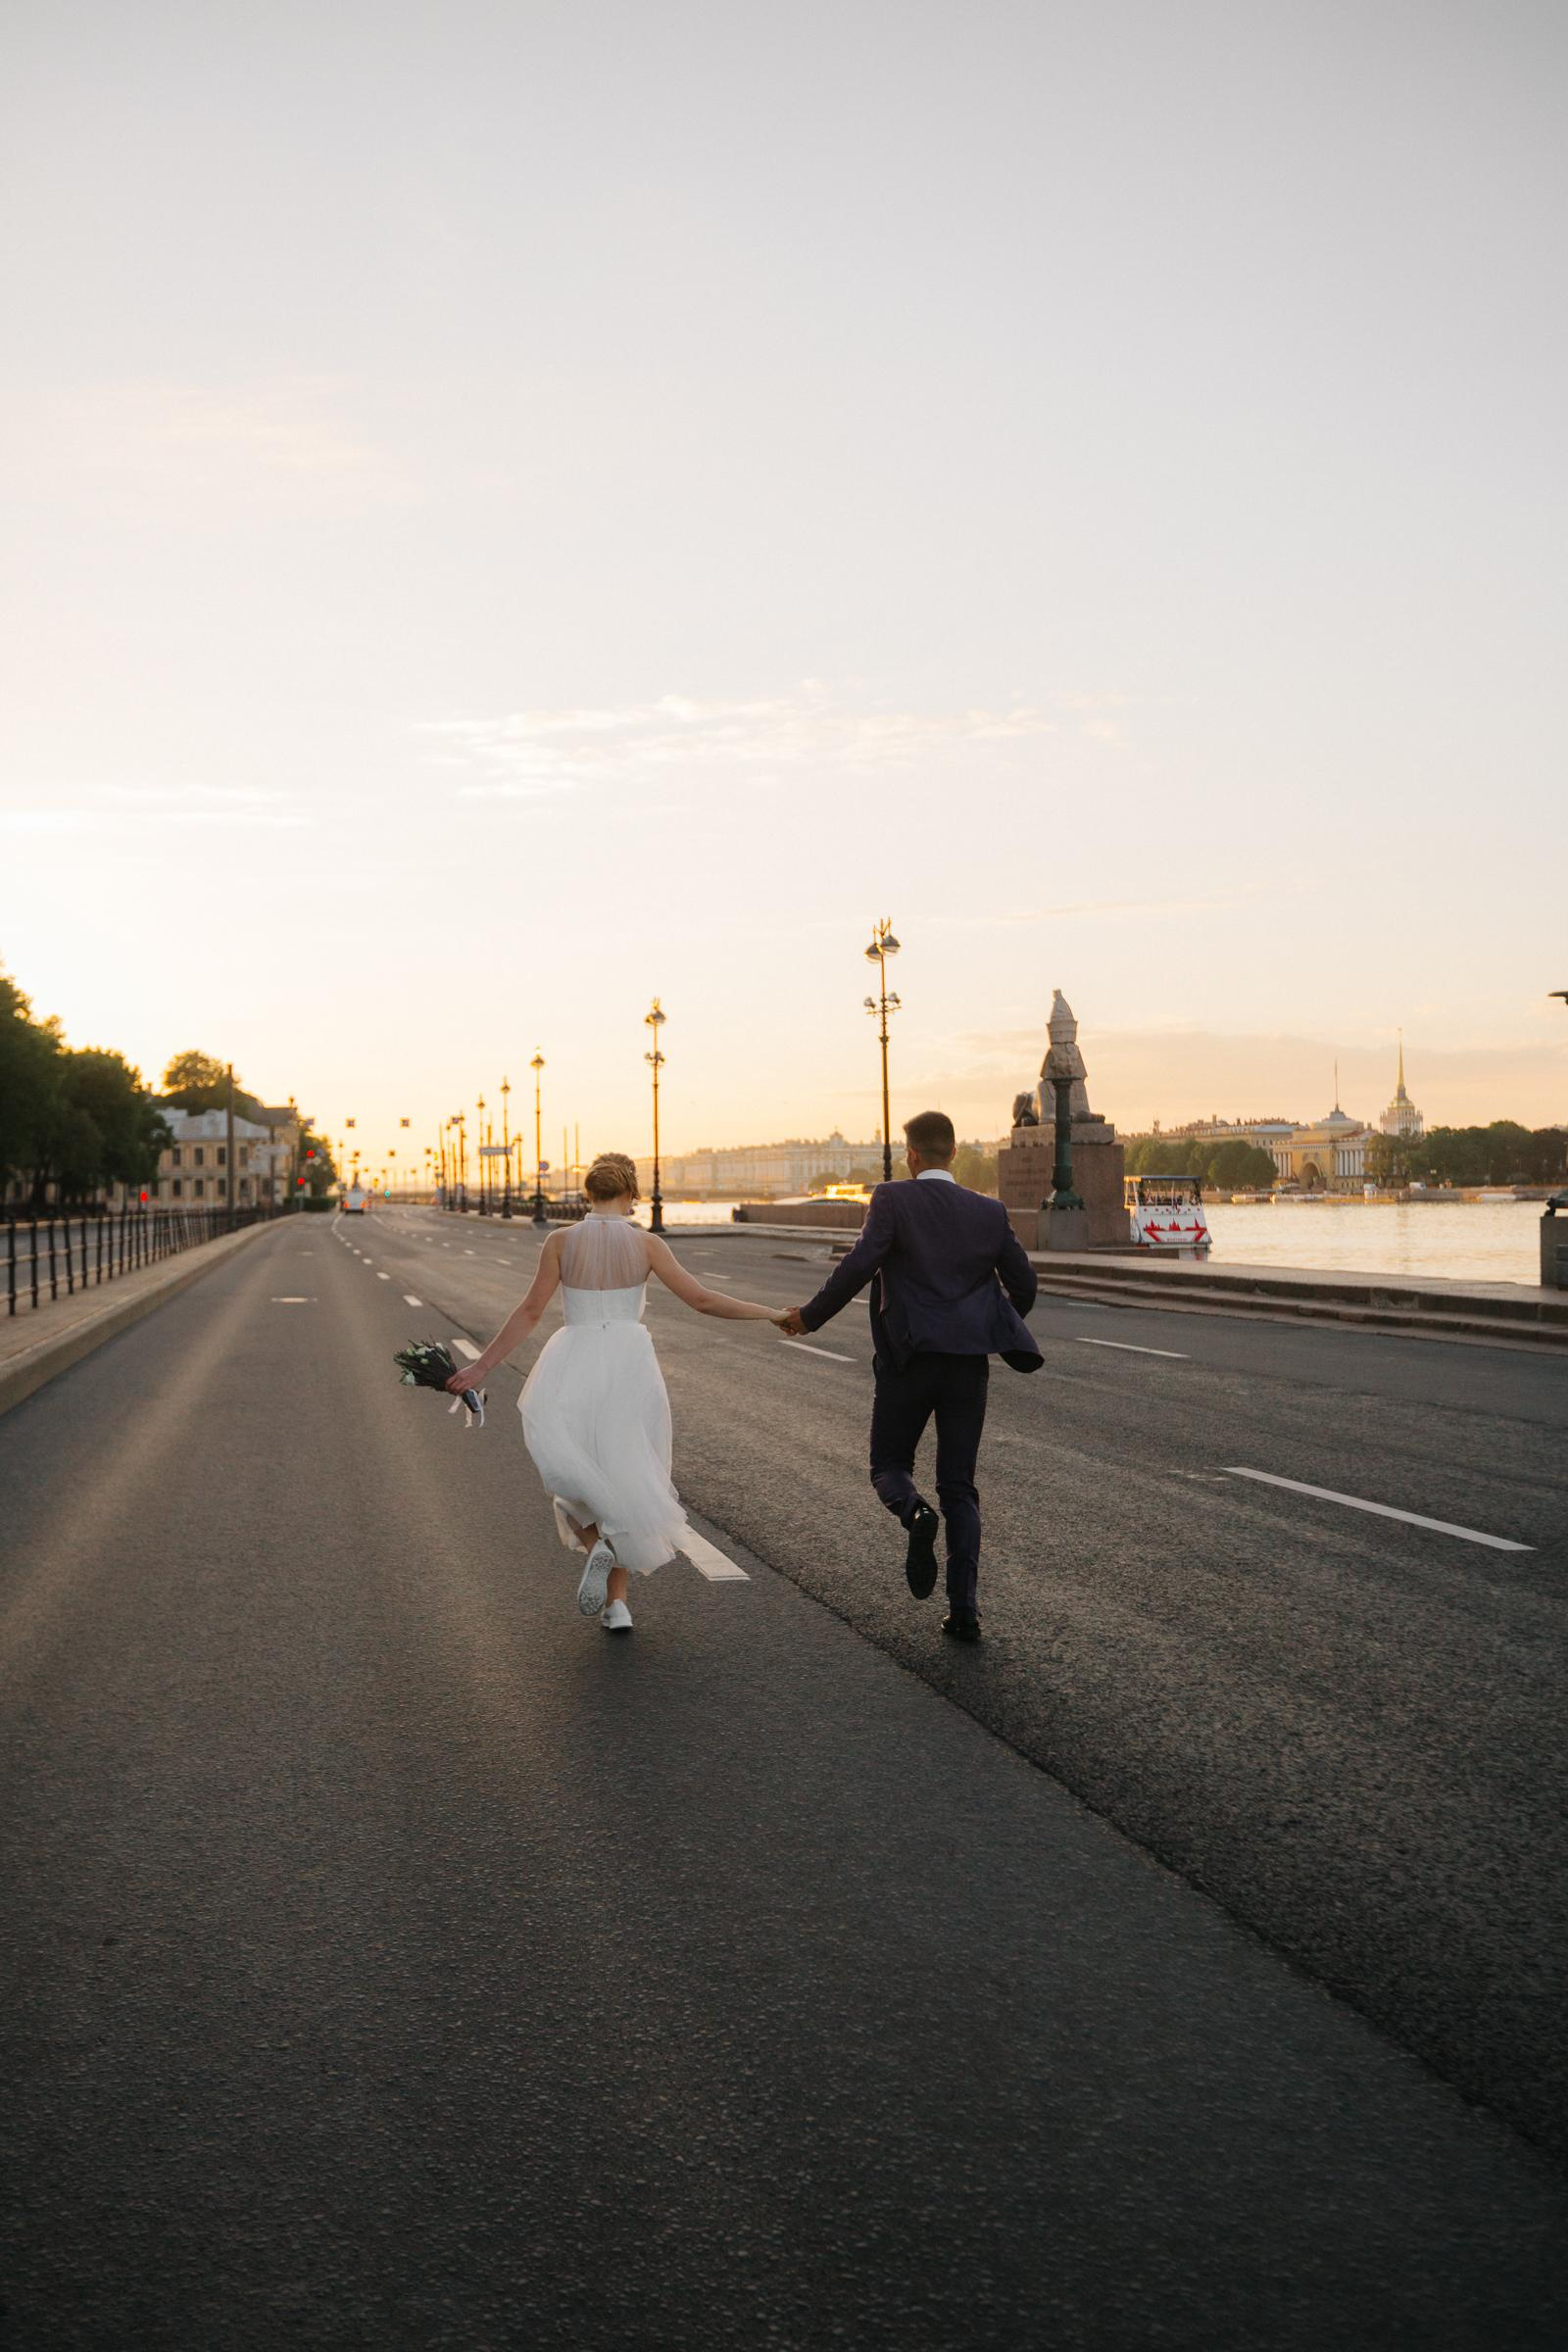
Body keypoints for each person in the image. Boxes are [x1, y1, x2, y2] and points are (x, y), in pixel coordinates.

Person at [448, 1152, 786, 1632]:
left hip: (575, 1357)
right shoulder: (646, 1245)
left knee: (569, 1476)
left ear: (588, 1193)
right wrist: (770, 1313)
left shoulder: (561, 1241)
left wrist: (481, 1367)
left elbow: (529, 1312)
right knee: (622, 1475)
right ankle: (618, 1604)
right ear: (630, 1195)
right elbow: (702, 1300)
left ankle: (599, 1556)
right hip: (630, 1363)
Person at [780, 1110, 1041, 1642]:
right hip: (968, 1365)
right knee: (960, 1486)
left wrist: (810, 1316)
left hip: (908, 1359)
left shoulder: (892, 1198)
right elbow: (1026, 1285)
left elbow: (859, 1265)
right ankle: (964, 1611)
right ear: (954, 1153)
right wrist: (986, 1322)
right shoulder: (989, 1211)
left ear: (913, 1155)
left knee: (888, 1464)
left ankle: (914, 1513)